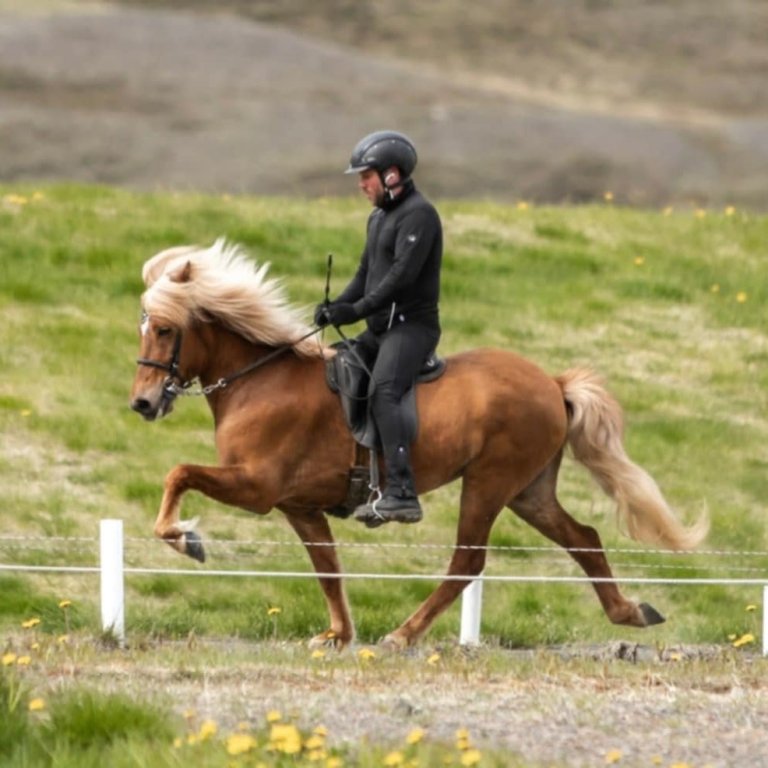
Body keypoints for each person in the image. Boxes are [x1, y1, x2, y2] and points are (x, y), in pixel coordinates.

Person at [315, 130, 443, 526]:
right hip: (380, 328)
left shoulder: (419, 215)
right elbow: (367, 274)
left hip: (411, 329)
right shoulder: (379, 217)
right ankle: (363, 482)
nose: (360, 184)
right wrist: (337, 307)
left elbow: (399, 281)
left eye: (366, 176)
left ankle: (402, 492)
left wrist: (355, 311)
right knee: (339, 371)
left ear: (391, 175)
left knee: (385, 390)